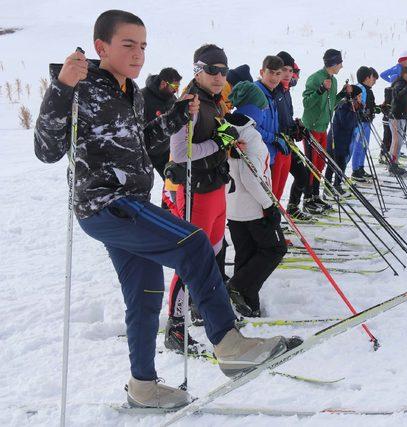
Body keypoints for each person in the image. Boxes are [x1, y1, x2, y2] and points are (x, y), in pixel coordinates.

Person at [33, 10, 287, 409]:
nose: (138, 54)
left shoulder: (131, 92)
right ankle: (229, 342)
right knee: (194, 243)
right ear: (101, 47)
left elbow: (137, 140)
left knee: (146, 297)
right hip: (106, 204)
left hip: (132, 203)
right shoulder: (79, 88)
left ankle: (143, 386)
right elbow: (45, 150)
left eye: (144, 46)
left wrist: (170, 119)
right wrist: (61, 87)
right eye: (128, 45)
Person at [164, 44, 236, 351]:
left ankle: (204, 309)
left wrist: (226, 137)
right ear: (198, 70)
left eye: (223, 71)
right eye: (212, 70)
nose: (219, 76)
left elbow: (213, 139)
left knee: (214, 252)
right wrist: (219, 144)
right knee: (191, 259)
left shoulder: (214, 100)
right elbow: (181, 153)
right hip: (196, 192)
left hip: (216, 187)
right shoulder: (190, 103)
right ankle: (175, 327)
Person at [225, 81, 288, 317]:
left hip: (233, 206)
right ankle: (237, 287)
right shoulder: (249, 134)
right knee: (275, 249)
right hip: (253, 208)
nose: (263, 112)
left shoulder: (225, 128)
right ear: (252, 109)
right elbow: (251, 177)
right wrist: (269, 205)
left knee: (246, 253)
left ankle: (248, 306)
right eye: (260, 108)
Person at [301, 48, 343, 214]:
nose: (341, 66)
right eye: (339, 63)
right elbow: (306, 103)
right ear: (332, 64)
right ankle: (307, 199)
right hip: (311, 127)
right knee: (311, 164)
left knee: (320, 163)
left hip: (324, 126)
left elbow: (331, 102)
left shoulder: (334, 80)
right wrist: (320, 90)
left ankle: (315, 195)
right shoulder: (315, 78)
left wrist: (344, 96)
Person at [275, 51, 315, 221]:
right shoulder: (273, 90)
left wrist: (296, 127)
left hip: (287, 142)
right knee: (275, 186)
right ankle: (272, 219)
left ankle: (292, 206)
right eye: (284, 70)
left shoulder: (285, 91)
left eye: (290, 70)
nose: (288, 74)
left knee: (303, 174)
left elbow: (286, 116)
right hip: (277, 145)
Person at [255, 56, 289, 198]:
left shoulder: (272, 93)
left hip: (270, 157)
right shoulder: (256, 94)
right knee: (262, 202)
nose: (274, 78)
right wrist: (273, 138)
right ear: (262, 72)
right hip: (258, 157)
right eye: (270, 73)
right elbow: (252, 128)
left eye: (277, 74)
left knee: (271, 199)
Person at [141, 67, 182, 180]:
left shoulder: (171, 99)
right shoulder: (142, 97)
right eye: (174, 87)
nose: (176, 91)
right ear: (164, 83)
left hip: (164, 151)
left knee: (172, 183)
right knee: (143, 184)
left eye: (178, 87)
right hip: (145, 153)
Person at [325, 85, 363, 195]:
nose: (361, 98)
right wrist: (354, 111)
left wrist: (359, 110)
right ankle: (328, 188)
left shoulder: (353, 106)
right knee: (333, 165)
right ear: (353, 97)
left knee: (342, 164)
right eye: (359, 96)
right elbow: (347, 124)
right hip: (336, 141)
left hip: (345, 141)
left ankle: (337, 185)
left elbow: (356, 122)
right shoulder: (343, 106)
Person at [380, 51, 407, 160]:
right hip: (396, 95)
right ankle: (388, 153)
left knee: (397, 133)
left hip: (400, 96)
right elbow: (382, 74)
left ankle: (395, 152)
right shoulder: (397, 68)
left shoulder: (404, 69)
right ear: (403, 60)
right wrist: (392, 80)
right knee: (393, 133)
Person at [350, 66, 378, 182]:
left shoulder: (366, 89)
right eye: (372, 78)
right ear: (367, 78)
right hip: (360, 123)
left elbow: (368, 104)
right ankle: (355, 170)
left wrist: (376, 109)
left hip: (367, 122)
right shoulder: (360, 88)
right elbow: (358, 105)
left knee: (364, 146)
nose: (374, 81)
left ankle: (360, 168)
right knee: (358, 146)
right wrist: (364, 112)